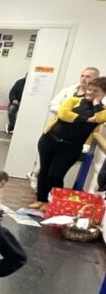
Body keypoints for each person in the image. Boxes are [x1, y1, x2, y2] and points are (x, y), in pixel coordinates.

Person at [30, 76, 106, 209]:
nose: (90, 93)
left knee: (56, 175)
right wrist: (88, 120)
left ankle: (52, 202)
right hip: (49, 140)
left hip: (71, 147)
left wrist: (96, 103)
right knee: (44, 171)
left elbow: (100, 118)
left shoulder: (101, 110)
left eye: (95, 91)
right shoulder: (73, 100)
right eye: (89, 89)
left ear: (103, 94)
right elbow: (63, 114)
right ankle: (40, 199)